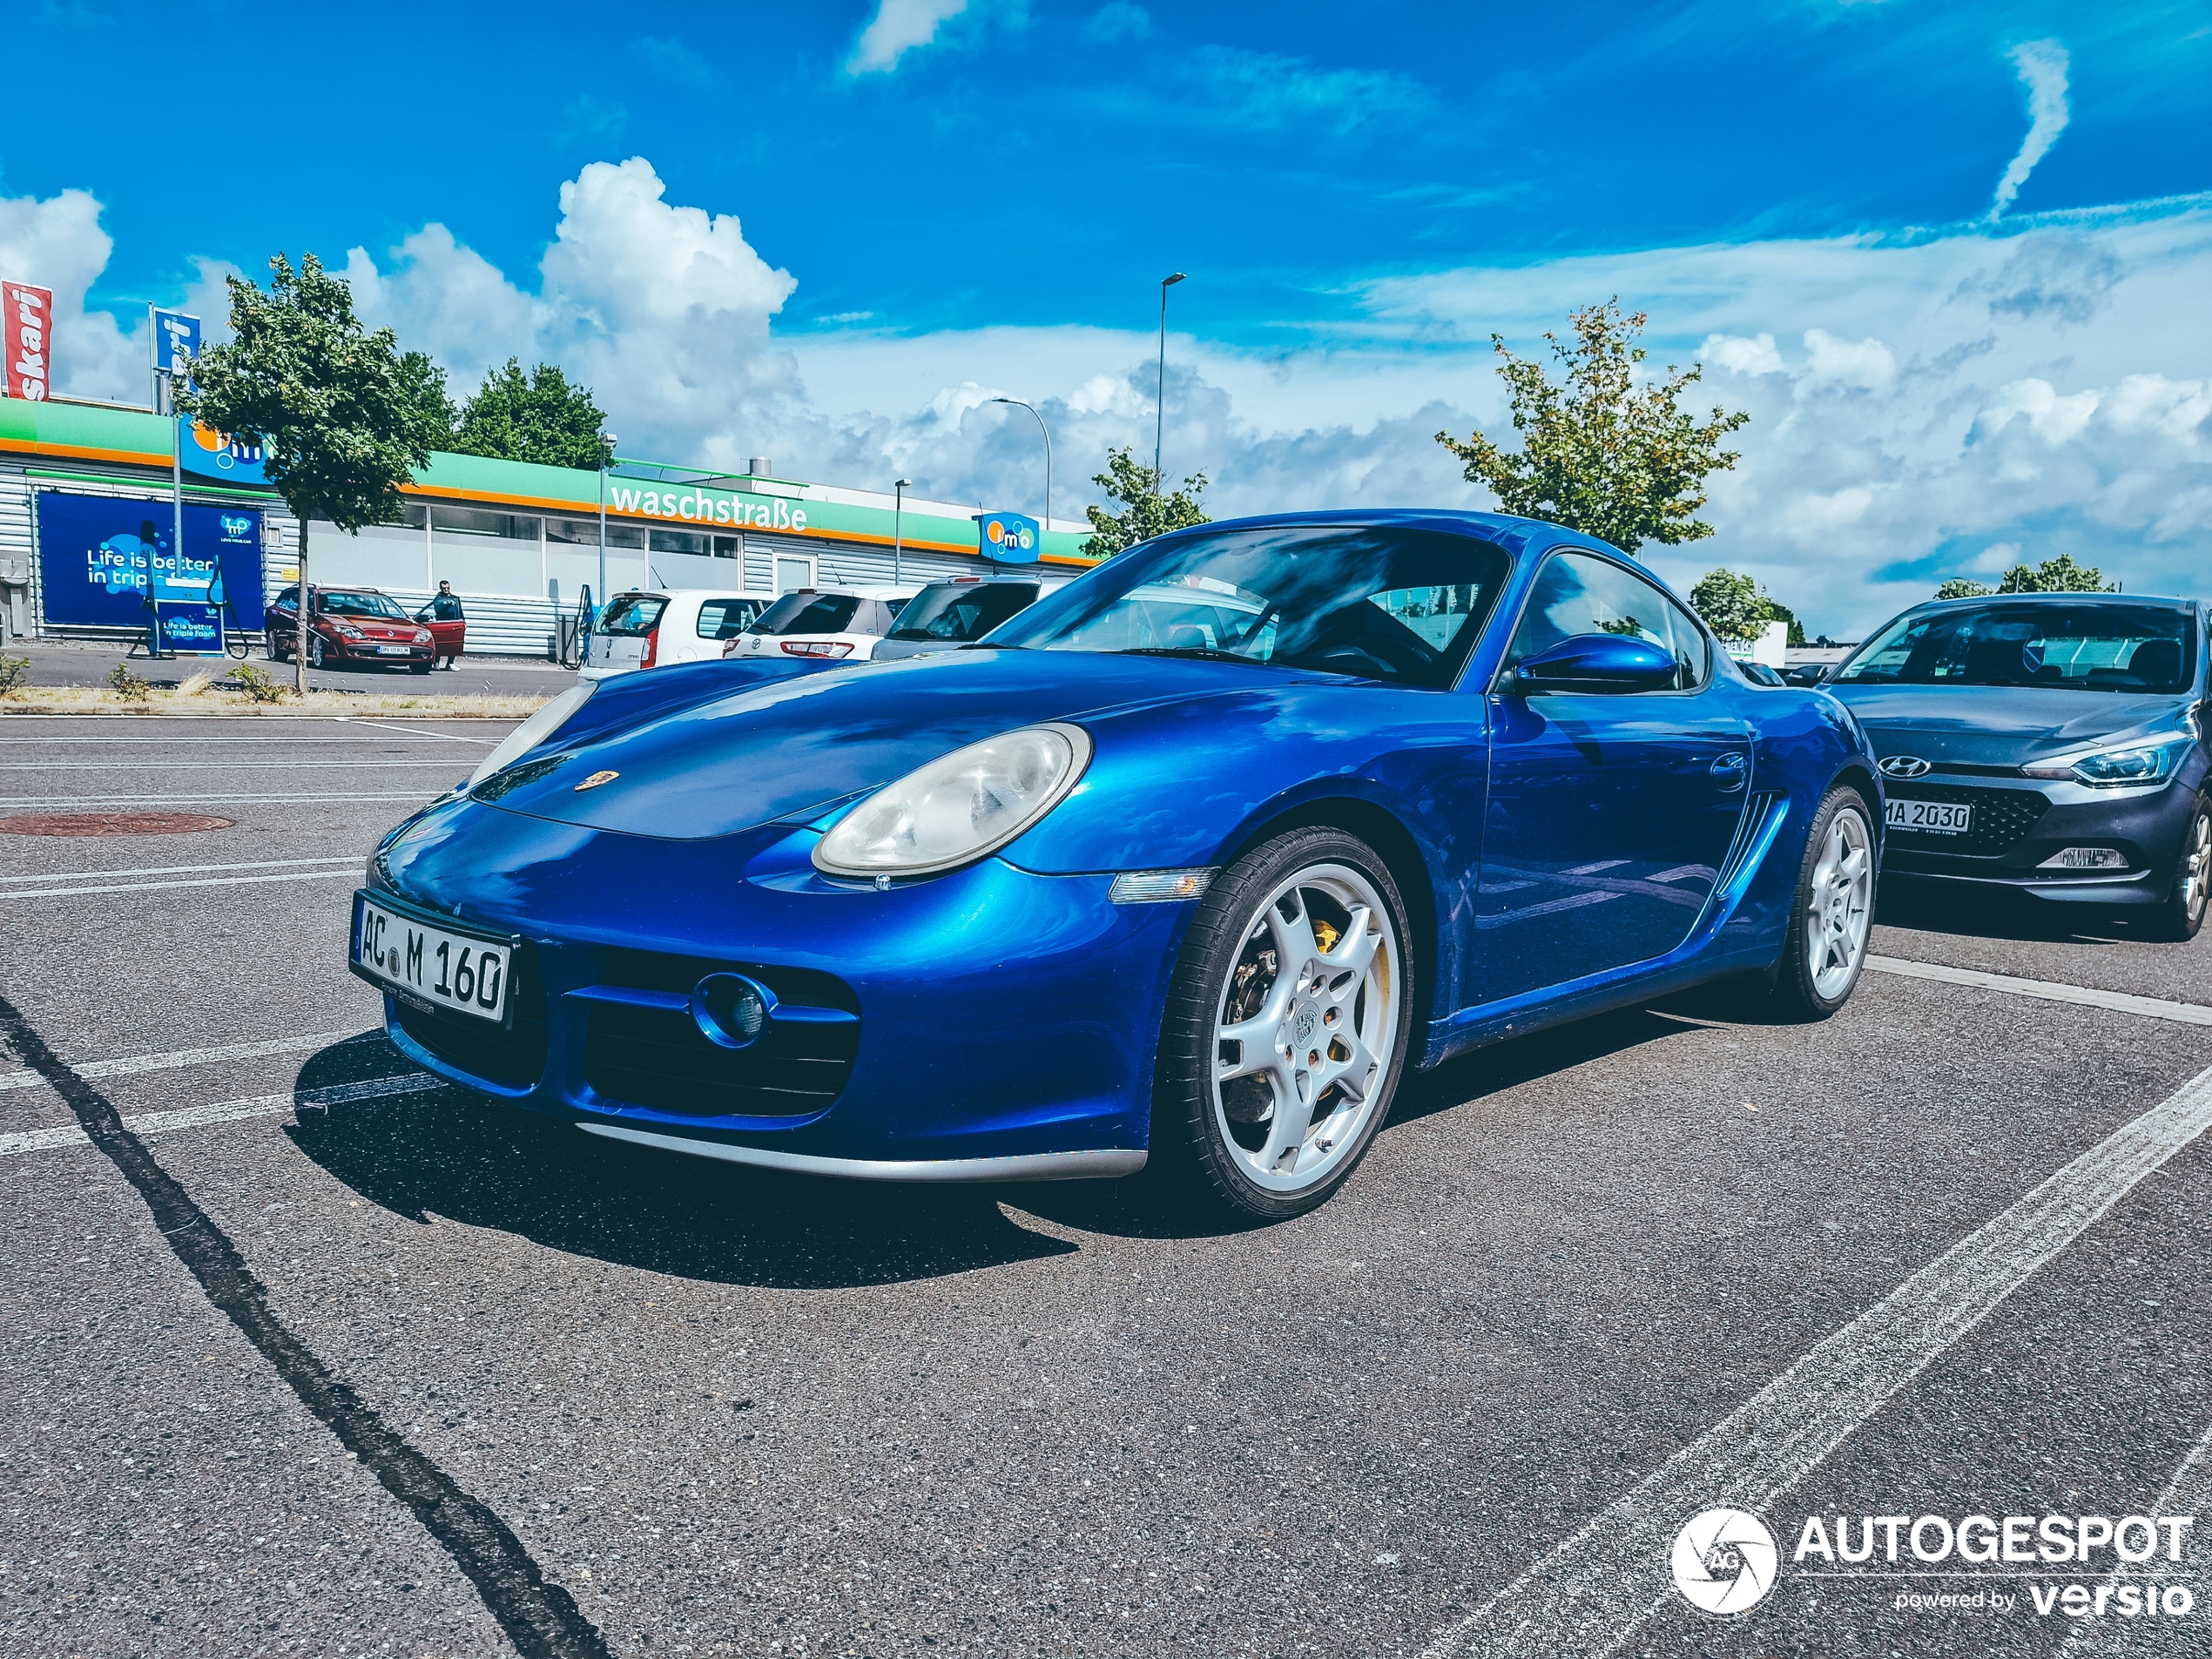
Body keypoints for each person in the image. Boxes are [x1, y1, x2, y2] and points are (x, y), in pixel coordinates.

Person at [419, 581, 465, 670]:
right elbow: (438, 610)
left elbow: (460, 611)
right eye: (444, 588)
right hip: (441, 624)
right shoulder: (438, 600)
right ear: (441, 588)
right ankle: (436, 662)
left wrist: (463, 621)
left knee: (453, 644)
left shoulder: (455, 599)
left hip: (453, 624)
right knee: (439, 642)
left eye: (448, 588)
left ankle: (450, 663)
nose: (446, 590)